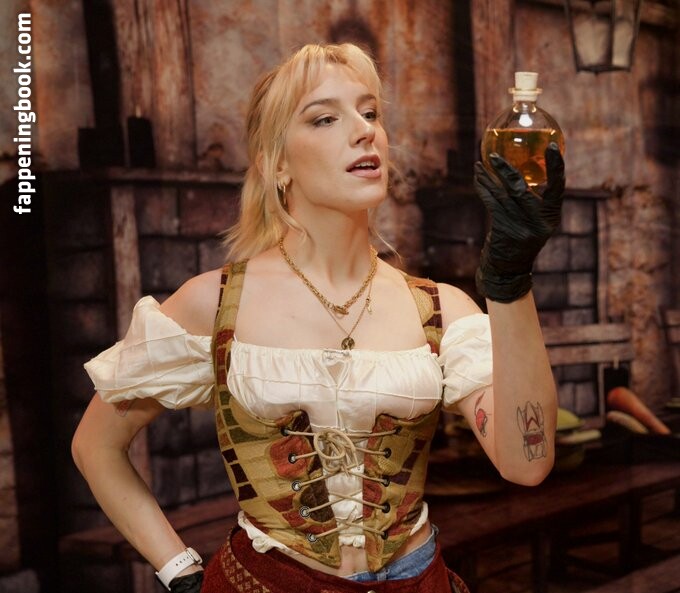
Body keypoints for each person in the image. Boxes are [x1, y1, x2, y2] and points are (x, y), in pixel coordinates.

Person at [72, 43, 564, 593]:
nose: (364, 131)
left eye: (370, 112)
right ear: (276, 164)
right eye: (325, 118)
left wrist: (509, 281)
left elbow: (527, 463)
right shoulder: (213, 303)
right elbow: (95, 446)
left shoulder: (441, 309)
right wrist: (179, 570)